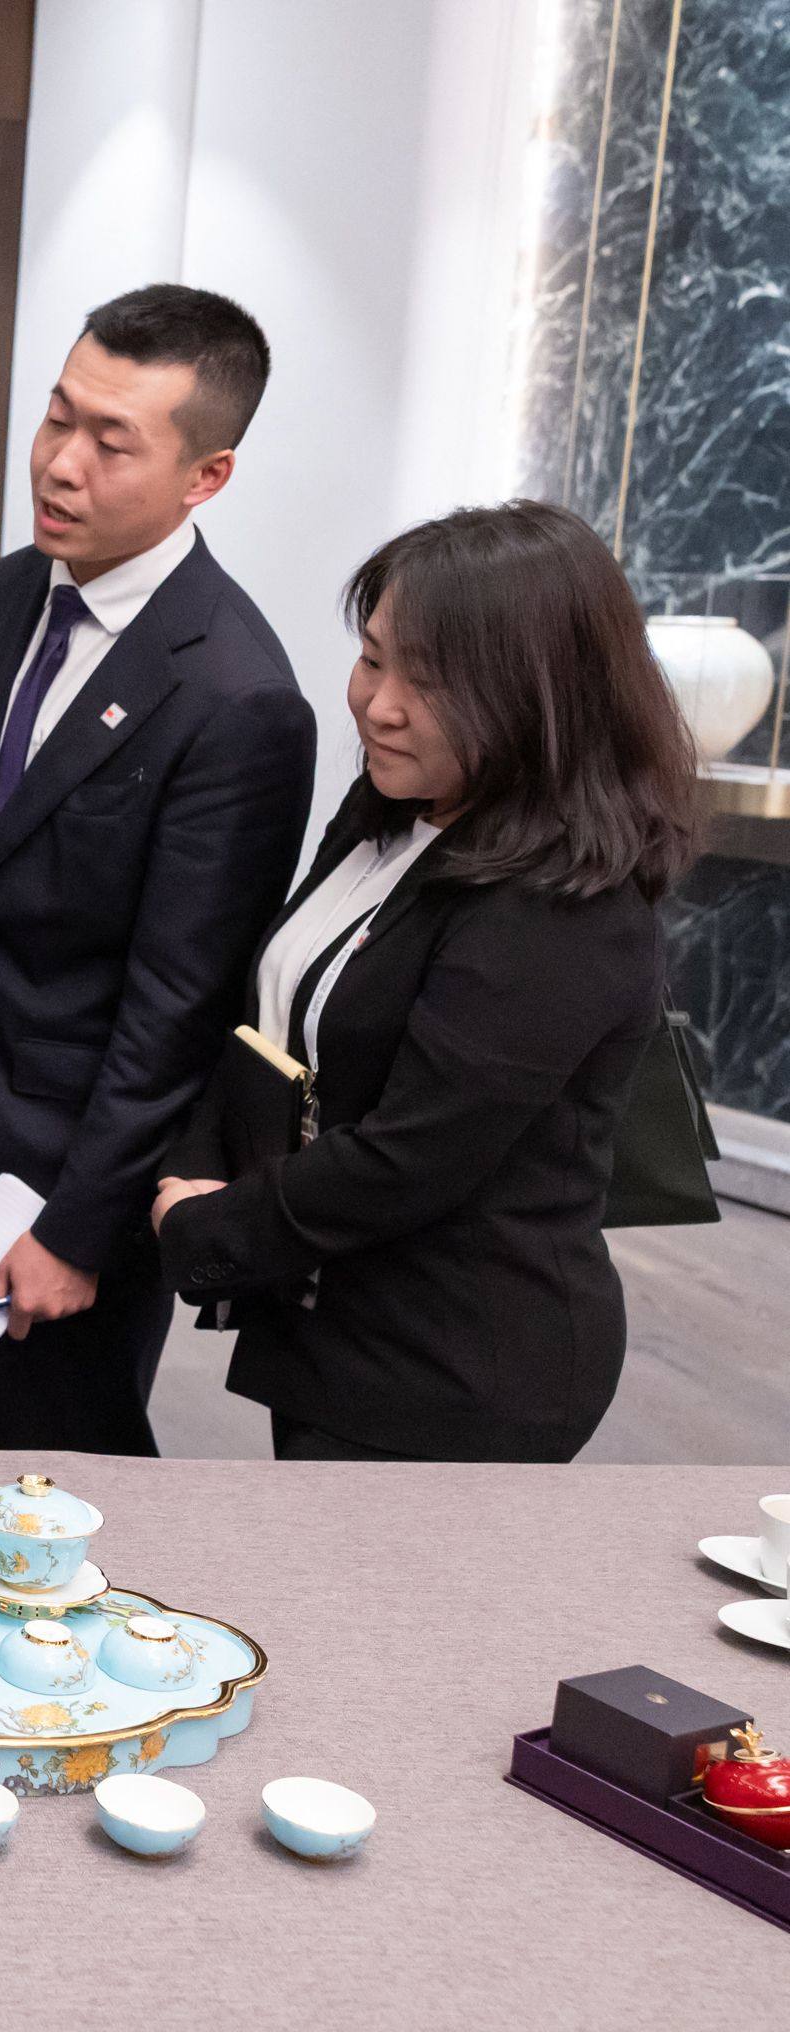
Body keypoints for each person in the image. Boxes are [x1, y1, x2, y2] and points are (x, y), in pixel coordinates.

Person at [152, 500, 700, 1463]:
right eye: (372, 658)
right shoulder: (397, 810)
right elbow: (276, 1014)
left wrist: (209, 1226)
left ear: (542, 698)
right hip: (340, 1322)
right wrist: (195, 1165)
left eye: (432, 682)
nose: (379, 703)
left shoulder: (562, 903)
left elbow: (415, 1153)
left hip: (461, 1362)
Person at [0, 284, 314, 1455]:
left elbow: (181, 1006)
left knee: (49, 1482)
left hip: (75, 1176)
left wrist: (78, 1226)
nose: (59, 464)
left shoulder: (239, 696)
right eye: (56, 416)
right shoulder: (0, 596)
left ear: (205, 476)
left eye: (110, 442)